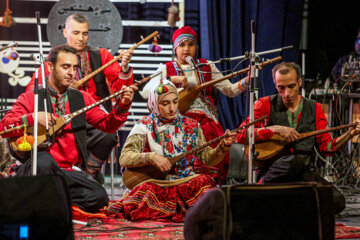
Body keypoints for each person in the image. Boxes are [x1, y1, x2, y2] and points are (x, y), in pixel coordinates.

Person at [0, 45, 137, 213]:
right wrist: (33, 118)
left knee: (99, 197)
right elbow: (4, 127)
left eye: (74, 67)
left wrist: (123, 106)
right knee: (45, 160)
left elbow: (107, 126)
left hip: (66, 173)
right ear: (50, 67)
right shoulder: (31, 97)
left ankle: (46, 200)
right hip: (37, 169)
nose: (71, 72)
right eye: (65, 67)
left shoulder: (81, 98)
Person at [236, 62, 360, 214]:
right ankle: (261, 189)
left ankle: (288, 204)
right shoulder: (265, 104)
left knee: (336, 201)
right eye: (281, 88)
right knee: (291, 161)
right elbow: (241, 134)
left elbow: (327, 148)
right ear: (275, 84)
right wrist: (274, 129)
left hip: (302, 172)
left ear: (300, 82)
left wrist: (349, 135)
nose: (286, 93)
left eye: (291, 86)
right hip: (273, 172)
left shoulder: (314, 108)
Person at [105, 79, 236, 222]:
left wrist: (222, 147)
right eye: (165, 104)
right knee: (146, 192)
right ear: (154, 104)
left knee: (205, 181)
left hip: (186, 181)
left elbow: (207, 159)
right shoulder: (144, 125)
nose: (172, 108)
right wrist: (151, 157)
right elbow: (124, 157)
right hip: (157, 182)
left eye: (175, 102)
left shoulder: (192, 126)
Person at [25, 14, 135, 183]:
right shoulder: (56, 57)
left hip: (92, 115)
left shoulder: (101, 55)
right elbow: (33, 89)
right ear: (65, 32)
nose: (81, 38)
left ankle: (88, 174)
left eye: (85, 33)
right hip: (63, 118)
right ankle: (62, 175)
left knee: (109, 135)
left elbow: (120, 87)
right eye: (76, 33)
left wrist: (125, 68)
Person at [140, 26, 249, 184]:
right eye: (182, 45)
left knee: (209, 135)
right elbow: (147, 91)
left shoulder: (206, 66)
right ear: (175, 48)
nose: (186, 49)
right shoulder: (166, 68)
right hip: (177, 120)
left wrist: (248, 79)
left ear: (196, 47)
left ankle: (206, 185)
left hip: (206, 120)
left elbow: (230, 90)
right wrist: (171, 79)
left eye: (190, 45)